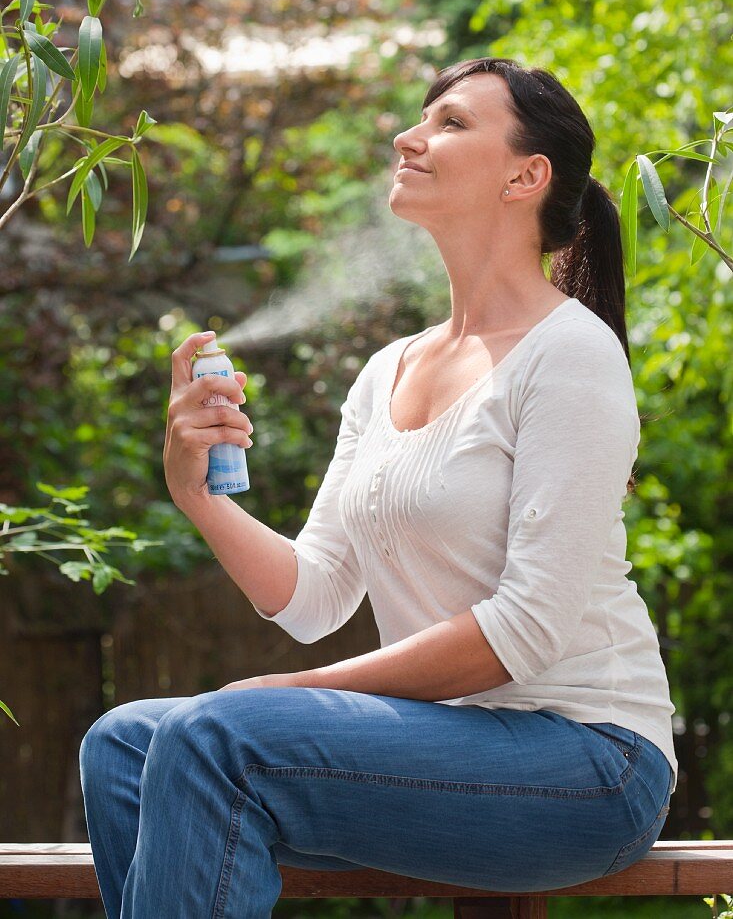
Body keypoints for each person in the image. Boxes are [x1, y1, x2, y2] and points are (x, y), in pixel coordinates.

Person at [79, 57, 677, 919]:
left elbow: (527, 629)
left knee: (215, 736)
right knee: (122, 743)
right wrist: (198, 494)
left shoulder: (570, 355)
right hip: (452, 743)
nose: (410, 135)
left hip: (586, 760)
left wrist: (290, 694)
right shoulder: (387, 369)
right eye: (421, 118)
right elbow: (315, 595)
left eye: (451, 122)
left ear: (526, 175)